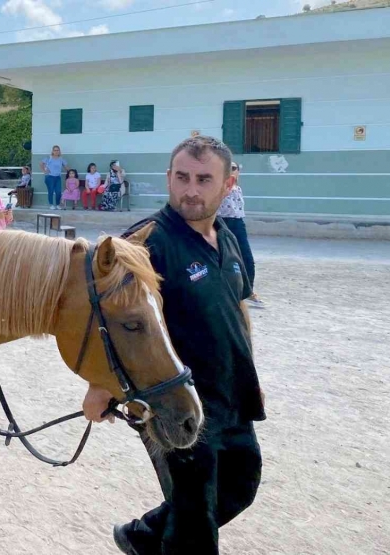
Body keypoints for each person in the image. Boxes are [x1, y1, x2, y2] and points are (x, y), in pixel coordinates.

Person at [83, 136, 265, 555]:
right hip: (174, 403)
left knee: (240, 485)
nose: (191, 190)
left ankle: (144, 537)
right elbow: (101, 317)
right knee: (196, 529)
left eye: (204, 179)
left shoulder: (228, 239)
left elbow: (237, 308)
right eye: (182, 177)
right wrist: (100, 384)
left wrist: (250, 369)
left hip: (232, 392)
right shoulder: (145, 242)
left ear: (228, 184)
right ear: (168, 178)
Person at [218, 162, 265, 308]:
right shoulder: (219, 187)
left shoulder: (238, 189)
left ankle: (248, 292)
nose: (230, 171)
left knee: (247, 259)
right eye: (227, 168)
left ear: (238, 171)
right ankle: (222, 293)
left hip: (238, 223)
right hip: (221, 223)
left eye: (233, 168)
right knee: (221, 258)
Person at [40, 145, 67, 210]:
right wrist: (44, 171)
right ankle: (51, 204)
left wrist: (73, 173)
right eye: (55, 150)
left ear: (59, 151)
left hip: (57, 177)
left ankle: (57, 204)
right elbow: (41, 163)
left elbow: (66, 167)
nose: (56, 151)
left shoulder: (61, 159)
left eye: (57, 150)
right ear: (52, 151)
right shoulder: (48, 158)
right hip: (49, 177)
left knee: (58, 191)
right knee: (51, 191)